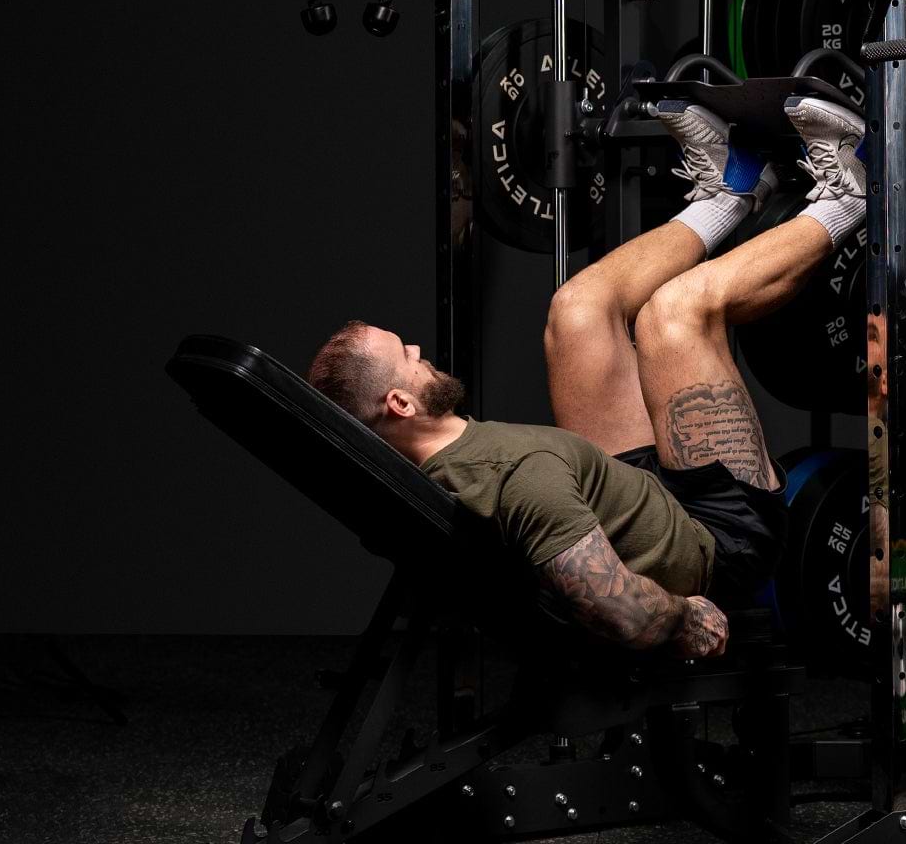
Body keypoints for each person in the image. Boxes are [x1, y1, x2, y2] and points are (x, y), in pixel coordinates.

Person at [305, 95, 872, 660]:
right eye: (405, 356)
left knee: (576, 310)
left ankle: (730, 195)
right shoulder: (520, 482)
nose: (417, 348)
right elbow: (623, 612)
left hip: (631, 494)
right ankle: (849, 197)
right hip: (721, 537)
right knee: (674, 314)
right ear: (401, 404)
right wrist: (682, 619)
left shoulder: (440, 462)